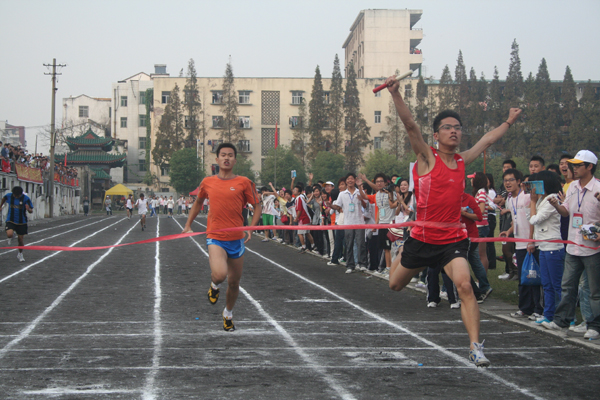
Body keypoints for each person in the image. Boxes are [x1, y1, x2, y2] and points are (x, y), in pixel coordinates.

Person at [384, 72, 521, 367]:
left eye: (458, 128)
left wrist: (509, 121)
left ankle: (475, 347)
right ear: (436, 135)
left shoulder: (462, 160)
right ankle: (401, 250)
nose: (454, 132)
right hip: (422, 238)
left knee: (465, 286)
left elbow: (488, 139)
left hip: (452, 239)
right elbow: (410, 125)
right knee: (394, 285)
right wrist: (395, 93)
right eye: (447, 128)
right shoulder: (426, 157)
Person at [182, 142, 261, 332]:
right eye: (223, 155)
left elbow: (257, 206)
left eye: (230, 155)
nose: (227, 158)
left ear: (235, 160)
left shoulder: (244, 182)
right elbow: (198, 202)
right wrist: (188, 224)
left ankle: (228, 314)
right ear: (217, 159)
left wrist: (251, 228)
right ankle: (214, 285)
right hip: (215, 236)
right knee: (219, 274)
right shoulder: (207, 182)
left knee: (234, 283)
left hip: (236, 239)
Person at [544, 150, 600, 340]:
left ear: (590, 167)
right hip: (573, 246)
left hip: (592, 248)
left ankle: (595, 326)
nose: (573, 169)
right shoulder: (572, 187)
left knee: (594, 290)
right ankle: (562, 320)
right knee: (568, 286)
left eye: (577, 165)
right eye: (572, 165)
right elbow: (566, 212)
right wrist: (556, 205)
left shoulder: (598, 188)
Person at [500, 169, 543, 320]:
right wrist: (509, 231)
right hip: (519, 244)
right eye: (505, 180)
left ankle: (538, 309)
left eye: (511, 180)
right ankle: (525, 308)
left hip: (530, 244)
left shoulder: (526, 197)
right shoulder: (510, 199)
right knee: (523, 277)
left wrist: (531, 240)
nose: (508, 183)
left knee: (534, 276)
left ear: (519, 181)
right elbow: (515, 219)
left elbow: (532, 219)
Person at [528, 171, 564, 325]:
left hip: (553, 247)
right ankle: (549, 314)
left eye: (537, 184)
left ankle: (566, 317)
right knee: (546, 284)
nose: (534, 188)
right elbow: (531, 217)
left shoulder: (551, 199)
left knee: (557, 284)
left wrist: (532, 202)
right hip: (543, 246)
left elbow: (535, 219)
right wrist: (534, 202)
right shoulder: (542, 200)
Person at [359, 172, 397, 273]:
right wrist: (376, 225)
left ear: (385, 183)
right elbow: (378, 209)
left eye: (381, 181)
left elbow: (394, 204)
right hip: (382, 224)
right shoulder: (377, 195)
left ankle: (392, 270)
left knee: (391, 248)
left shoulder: (391, 193)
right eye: (377, 182)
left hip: (391, 224)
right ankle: (388, 269)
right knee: (385, 248)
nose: (379, 183)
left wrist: (366, 180)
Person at [331, 173, 368, 274]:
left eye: (351, 179)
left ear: (355, 180)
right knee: (349, 244)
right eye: (348, 179)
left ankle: (362, 264)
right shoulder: (342, 194)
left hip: (359, 222)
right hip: (347, 223)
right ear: (346, 181)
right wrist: (331, 206)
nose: (350, 180)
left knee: (361, 244)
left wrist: (360, 189)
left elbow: (365, 204)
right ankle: (350, 265)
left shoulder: (359, 191)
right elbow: (337, 206)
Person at [1, 186, 33, 262]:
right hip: (11, 220)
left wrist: (28, 209)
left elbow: (31, 210)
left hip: (22, 222)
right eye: (14, 195)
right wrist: (0, 206)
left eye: (17, 196)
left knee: (20, 240)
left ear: (20, 194)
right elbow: (3, 199)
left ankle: (20, 254)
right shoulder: (9, 196)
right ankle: (12, 235)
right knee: (9, 234)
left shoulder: (26, 199)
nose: (16, 197)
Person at [293, 184, 316, 254]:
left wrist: (296, 218)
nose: (294, 191)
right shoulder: (300, 197)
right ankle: (313, 245)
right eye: (294, 189)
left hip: (303, 218)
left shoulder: (299, 198)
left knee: (300, 233)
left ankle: (304, 246)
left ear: (299, 192)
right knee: (307, 233)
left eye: (296, 190)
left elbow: (299, 210)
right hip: (305, 217)